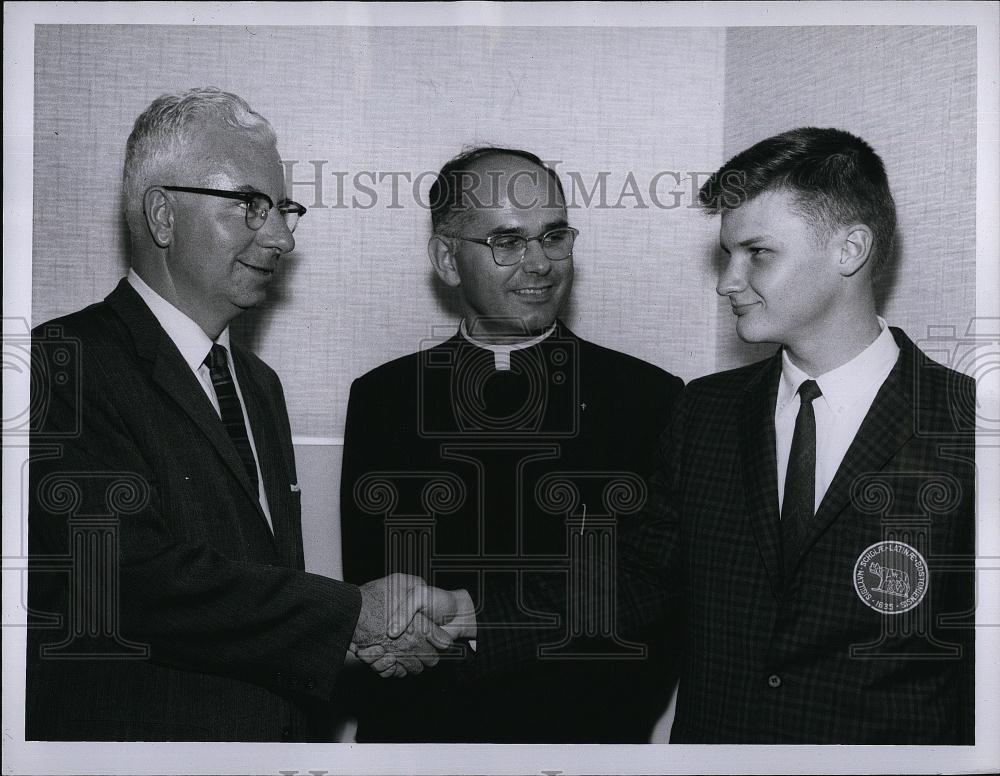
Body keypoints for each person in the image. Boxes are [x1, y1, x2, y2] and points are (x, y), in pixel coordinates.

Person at [384, 128, 976, 744]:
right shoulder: (705, 413)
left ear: (849, 249)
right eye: (727, 255)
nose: (727, 282)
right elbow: (635, 582)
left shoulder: (970, 429)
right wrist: (471, 615)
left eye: (757, 253)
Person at [26, 87, 449, 742]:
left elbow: (255, 587)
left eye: (283, 209)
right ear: (163, 216)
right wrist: (346, 619)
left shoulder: (258, 384)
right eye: (251, 205)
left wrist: (351, 632)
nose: (280, 237)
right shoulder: (61, 364)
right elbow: (126, 578)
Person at [339, 147, 684, 742]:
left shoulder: (649, 398)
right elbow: (380, 597)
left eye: (554, 237)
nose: (540, 264)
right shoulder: (384, 398)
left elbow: (649, 607)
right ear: (448, 259)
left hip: (583, 743)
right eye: (507, 242)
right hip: (421, 740)